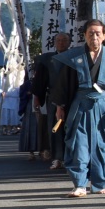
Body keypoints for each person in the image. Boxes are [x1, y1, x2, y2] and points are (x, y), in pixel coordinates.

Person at [50, 19, 105, 197]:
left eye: (97, 33)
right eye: (90, 33)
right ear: (84, 36)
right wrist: (60, 106)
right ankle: (80, 184)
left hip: (102, 106)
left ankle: (99, 182)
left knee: (102, 144)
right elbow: (63, 84)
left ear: (104, 35)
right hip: (79, 106)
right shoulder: (74, 57)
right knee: (78, 144)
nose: (94, 37)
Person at [33, 32, 71, 169]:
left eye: (64, 40)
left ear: (69, 43)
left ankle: (69, 157)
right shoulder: (47, 59)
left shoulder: (74, 58)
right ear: (54, 42)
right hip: (53, 98)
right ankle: (57, 158)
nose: (61, 43)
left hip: (70, 98)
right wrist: (37, 98)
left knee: (70, 128)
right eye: (58, 40)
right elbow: (39, 82)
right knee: (54, 128)